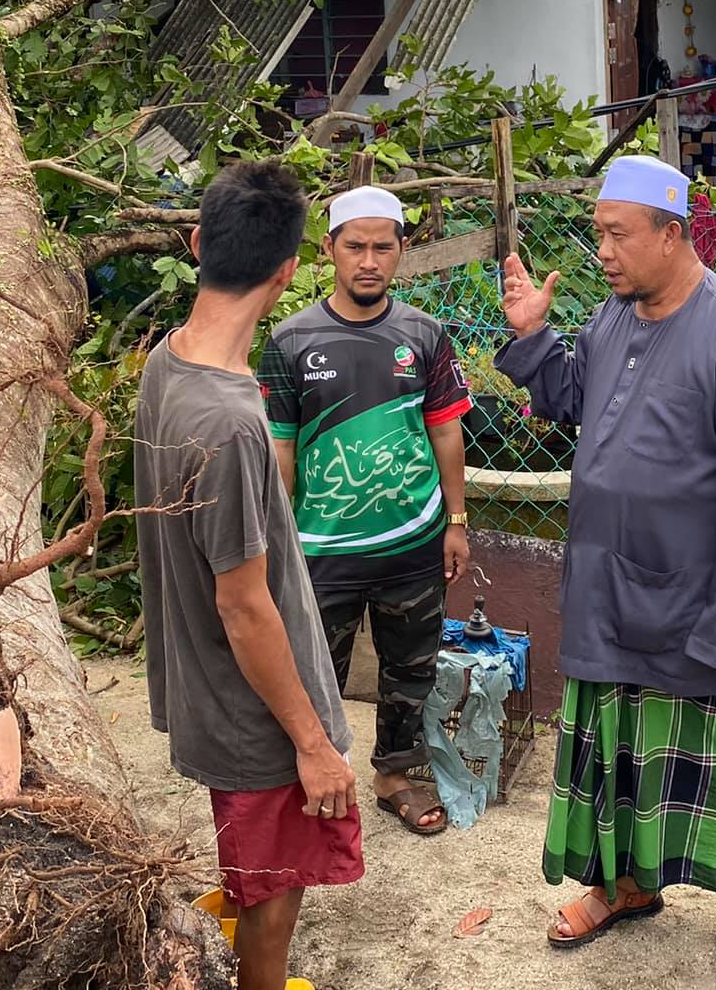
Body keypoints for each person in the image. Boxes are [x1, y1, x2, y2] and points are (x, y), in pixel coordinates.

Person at [495, 153, 716, 985]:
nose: (602, 251)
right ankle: (624, 883)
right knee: (613, 745)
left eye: (617, 235)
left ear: (673, 235)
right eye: (598, 233)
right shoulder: (615, 317)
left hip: (692, 602)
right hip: (605, 588)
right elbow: (568, 398)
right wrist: (533, 336)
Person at [134, 160, 360, 990]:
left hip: (209, 687)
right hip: (254, 710)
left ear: (198, 244)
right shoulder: (229, 423)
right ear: (291, 271)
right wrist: (312, 743)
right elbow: (245, 607)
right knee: (273, 897)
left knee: (254, 867)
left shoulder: (167, 363)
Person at [258, 184, 474, 838]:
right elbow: (281, 450)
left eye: (384, 246)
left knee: (411, 669)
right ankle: (313, 776)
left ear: (403, 251)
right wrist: (279, 538)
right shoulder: (291, 342)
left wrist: (457, 522)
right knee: (312, 669)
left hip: (413, 543)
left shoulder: (423, 335)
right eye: (355, 246)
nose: (369, 260)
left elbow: (443, 432)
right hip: (321, 550)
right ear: (328, 250)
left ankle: (394, 777)